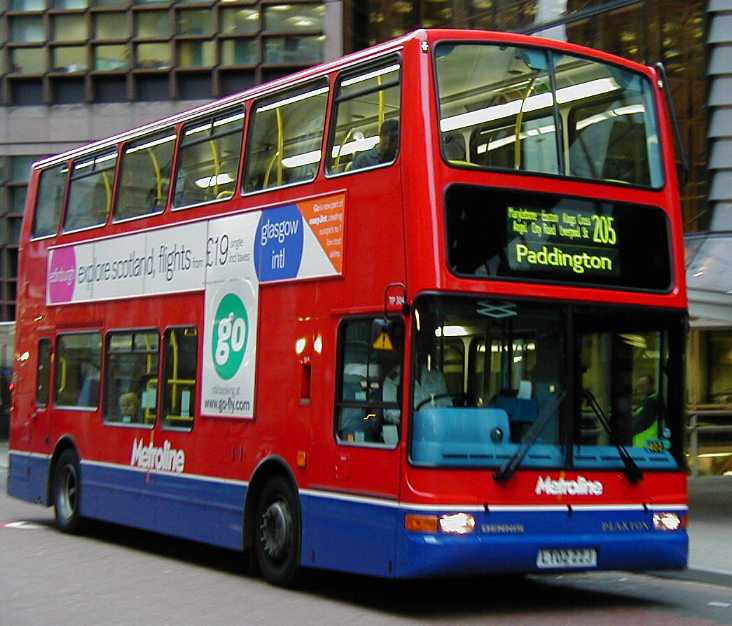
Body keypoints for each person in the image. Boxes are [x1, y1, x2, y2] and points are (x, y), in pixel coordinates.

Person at [632, 374, 660, 448]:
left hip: (647, 445)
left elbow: (642, 422)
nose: (640, 388)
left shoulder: (652, 402)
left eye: (643, 385)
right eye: (639, 385)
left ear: (651, 385)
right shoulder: (646, 401)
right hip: (644, 444)